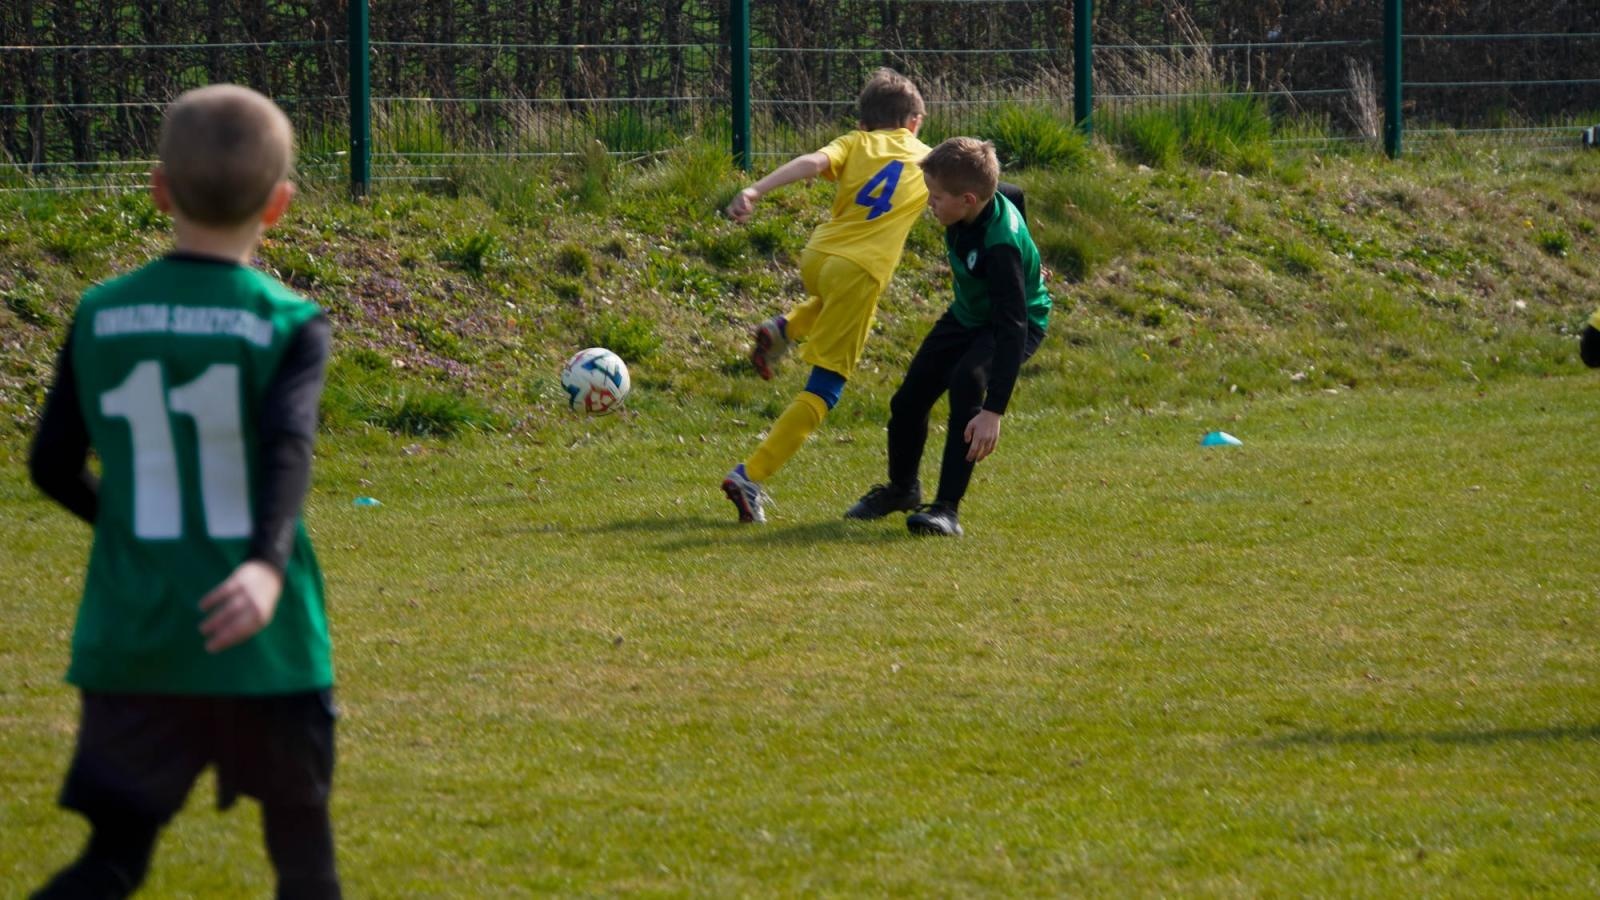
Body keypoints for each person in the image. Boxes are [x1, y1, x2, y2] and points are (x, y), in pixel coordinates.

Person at [27, 84, 340, 898]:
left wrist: (127, 524)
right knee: (305, 867)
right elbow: (287, 452)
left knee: (111, 862)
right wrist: (266, 566)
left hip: (138, 638)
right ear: (279, 205)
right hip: (265, 646)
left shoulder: (100, 313)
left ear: (160, 189)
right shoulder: (286, 321)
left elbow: (50, 465)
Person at [720, 68, 932, 523]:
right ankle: (749, 476)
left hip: (818, 258)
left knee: (828, 304)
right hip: (860, 272)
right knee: (826, 388)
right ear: (915, 121)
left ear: (864, 124)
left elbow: (813, 163)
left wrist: (754, 189)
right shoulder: (928, 159)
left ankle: (785, 328)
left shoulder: (854, 143)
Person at [844, 137, 1051, 536]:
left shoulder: (1000, 246)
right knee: (908, 401)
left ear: (969, 200)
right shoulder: (984, 199)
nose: (930, 203)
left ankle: (946, 510)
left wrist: (994, 411)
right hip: (968, 315)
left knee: (966, 384)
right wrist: (1036, 259)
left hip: (1014, 322)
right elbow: (1015, 192)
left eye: (937, 197)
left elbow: (1013, 327)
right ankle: (902, 489)